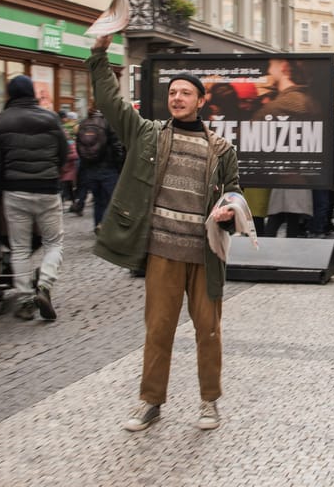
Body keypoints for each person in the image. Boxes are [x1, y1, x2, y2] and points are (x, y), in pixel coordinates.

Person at [85, 35, 239, 433]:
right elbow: (110, 104)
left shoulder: (222, 149)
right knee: (158, 330)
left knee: (208, 330)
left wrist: (229, 210)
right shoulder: (149, 134)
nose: (178, 98)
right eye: (174, 92)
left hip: (205, 254)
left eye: (186, 93)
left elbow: (235, 190)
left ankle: (209, 402)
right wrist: (99, 57)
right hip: (162, 252)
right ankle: (150, 401)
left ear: (201, 101)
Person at [0, 75, 68, 321]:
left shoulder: (0, 121)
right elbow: (64, 151)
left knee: (19, 247)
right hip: (47, 189)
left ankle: (24, 299)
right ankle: (44, 284)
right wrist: (54, 172)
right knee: (54, 242)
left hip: (15, 191)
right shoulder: (51, 117)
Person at [73, 108, 123, 232]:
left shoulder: (83, 124)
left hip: (90, 169)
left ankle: (98, 226)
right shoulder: (107, 122)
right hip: (108, 168)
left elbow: (78, 147)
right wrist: (119, 164)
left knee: (98, 201)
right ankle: (103, 225)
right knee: (113, 199)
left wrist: (85, 164)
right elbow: (117, 146)